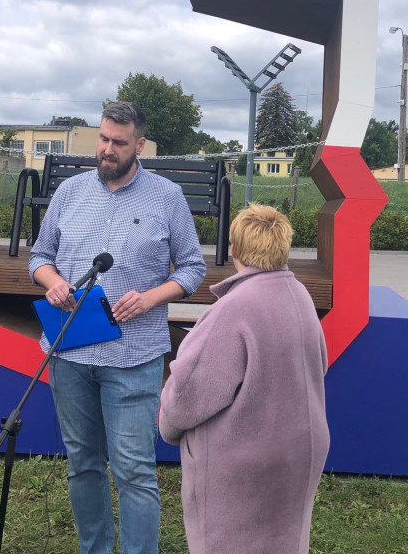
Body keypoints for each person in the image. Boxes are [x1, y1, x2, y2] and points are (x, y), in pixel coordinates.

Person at [29, 101, 206, 554]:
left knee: (134, 471)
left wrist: (150, 297)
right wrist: (53, 283)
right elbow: (39, 257)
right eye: (103, 139)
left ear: (139, 145)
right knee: (83, 464)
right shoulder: (69, 192)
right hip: (69, 353)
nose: (107, 150)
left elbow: (192, 269)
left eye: (118, 143)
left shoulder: (167, 196)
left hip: (133, 357)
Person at [159, 204, 330, 554]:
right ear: (284, 246)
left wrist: (168, 426)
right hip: (299, 451)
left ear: (234, 250)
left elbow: (186, 396)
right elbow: (320, 364)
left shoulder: (230, 311)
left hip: (241, 468)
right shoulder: (300, 296)